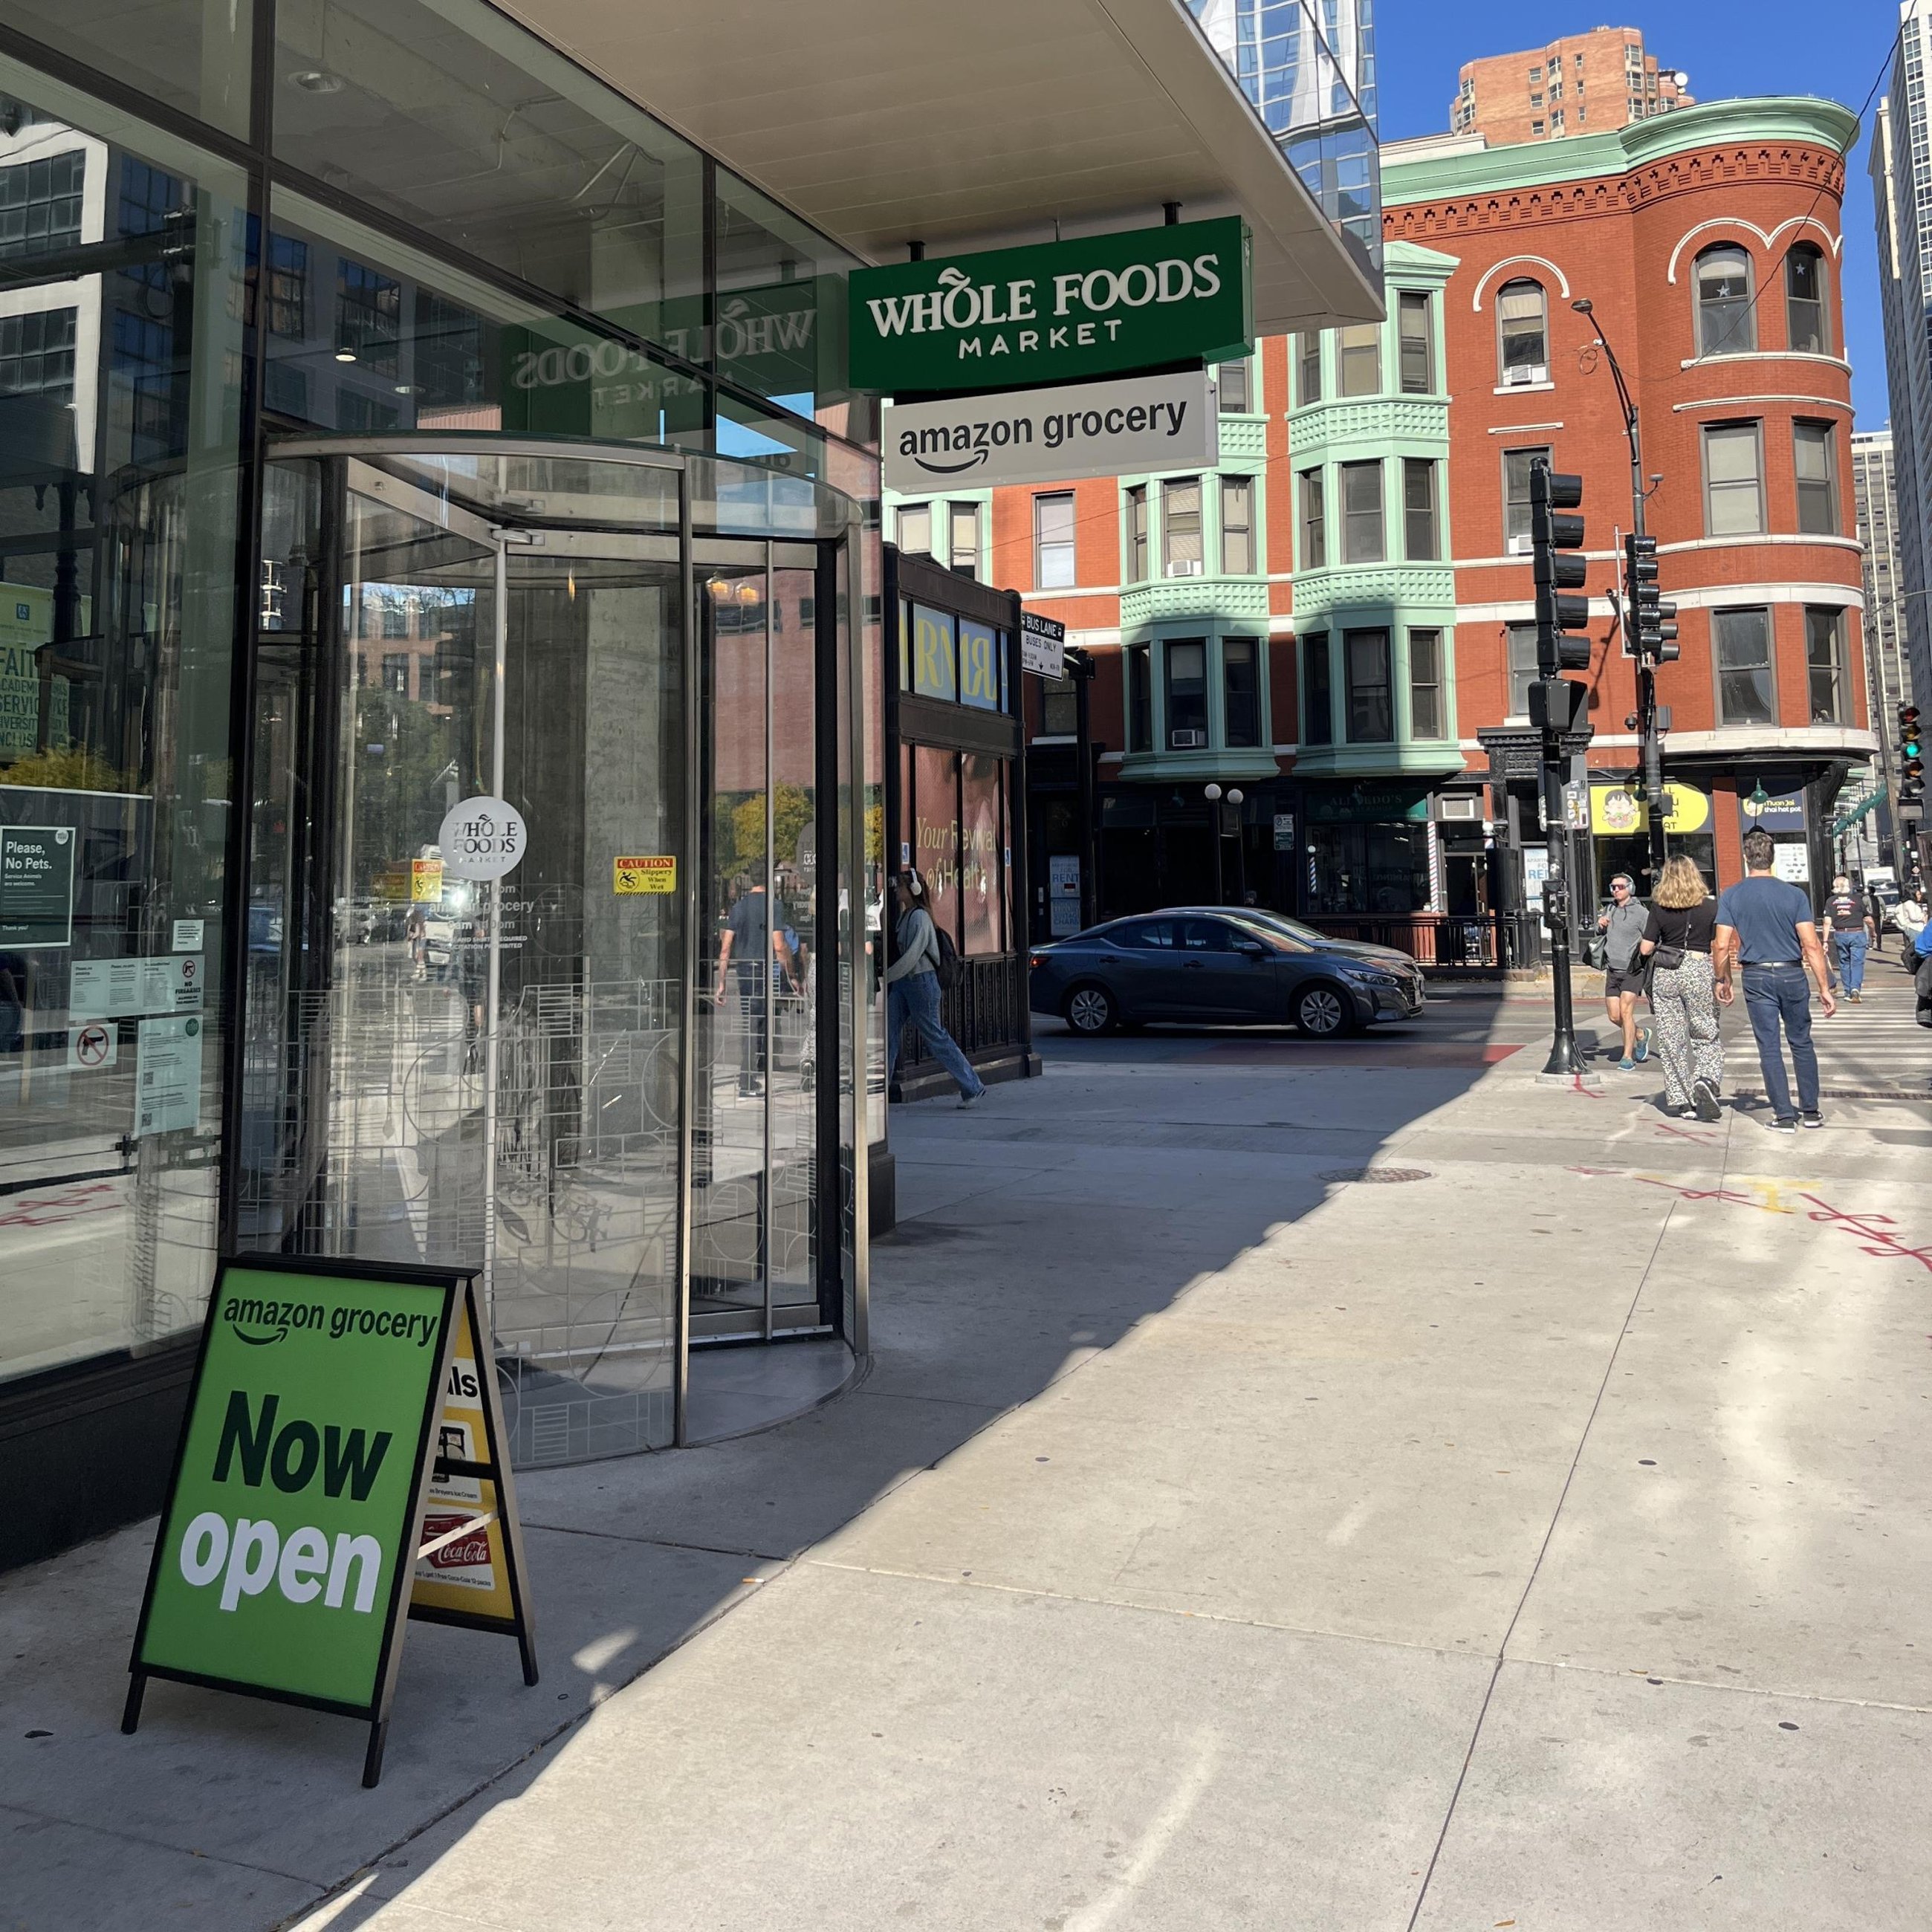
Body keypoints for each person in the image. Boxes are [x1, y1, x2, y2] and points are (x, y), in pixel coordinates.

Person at [1713, 828, 1836, 1132]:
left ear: (1746, 859)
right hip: (1792, 971)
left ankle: (1783, 1115)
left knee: (1769, 1045)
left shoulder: (1732, 895)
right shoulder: (1794, 894)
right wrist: (1824, 987)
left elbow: (1720, 944)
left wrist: (1723, 979)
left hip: (1756, 974)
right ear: (1773, 858)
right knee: (1801, 1042)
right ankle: (1810, 1110)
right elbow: (1811, 944)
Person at [883, 867, 984, 1107]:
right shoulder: (906, 916)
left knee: (935, 1036)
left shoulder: (919, 918)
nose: (897, 889)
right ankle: (880, 1091)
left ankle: (973, 1086)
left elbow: (911, 957)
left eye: (901, 886)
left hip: (921, 982)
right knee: (889, 1033)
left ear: (914, 890)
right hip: (904, 983)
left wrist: (885, 978)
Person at [1637, 856, 1722, 1121]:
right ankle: (1706, 1078)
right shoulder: (1711, 906)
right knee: (1705, 1030)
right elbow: (1715, 941)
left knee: (1671, 1037)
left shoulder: (1660, 906)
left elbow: (1646, 948)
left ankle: (1682, 1101)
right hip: (1698, 967)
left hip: (1667, 971)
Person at [715, 877, 797, 1097]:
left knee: (750, 1020)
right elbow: (779, 945)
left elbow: (725, 948)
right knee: (758, 1023)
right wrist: (791, 976)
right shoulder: (774, 905)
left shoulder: (738, 907)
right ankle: (748, 1079)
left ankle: (750, 1075)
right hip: (763, 970)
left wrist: (721, 983)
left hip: (743, 971)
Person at [1596, 873, 1652, 1071]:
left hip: (1632, 970)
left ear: (1630, 888)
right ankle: (1640, 1035)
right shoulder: (1610, 908)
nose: (1616, 890)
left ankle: (1627, 1057)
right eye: (1613, 887)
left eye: (1620, 887)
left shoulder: (1640, 913)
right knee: (1614, 1016)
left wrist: (1643, 955)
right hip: (1613, 969)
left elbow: (1651, 937)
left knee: (1626, 1013)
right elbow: (1600, 933)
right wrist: (1601, 926)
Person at [1821, 874, 1874, 1001]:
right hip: (1857, 933)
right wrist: (1873, 932)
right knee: (1857, 962)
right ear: (1848, 887)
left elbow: (1827, 922)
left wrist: (1825, 941)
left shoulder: (1831, 901)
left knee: (1844, 963)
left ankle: (1847, 991)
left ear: (1835, 888)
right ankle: (1855, 989)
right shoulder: (1857, 900)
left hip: (1840, 934)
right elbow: (1868, 919)